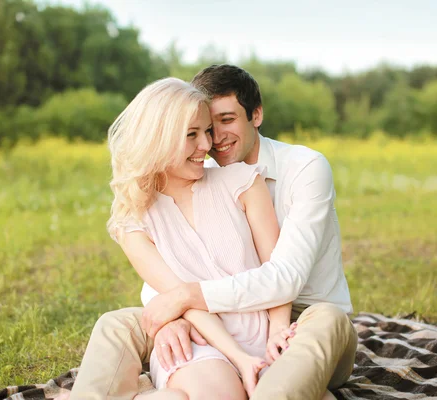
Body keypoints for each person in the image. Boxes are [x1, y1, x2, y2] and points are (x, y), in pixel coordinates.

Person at [71, 65, 357, 400]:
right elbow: (171, 278)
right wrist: (171, 316)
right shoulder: (192, 176)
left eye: (225, 121)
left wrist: (185, 299)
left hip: (299, 317)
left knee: (324, 320)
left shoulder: (302, 169)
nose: (212, 140)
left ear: (256, 115)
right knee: (116, 325)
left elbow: (285, 277)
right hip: (210, 321)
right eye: (202, 129)